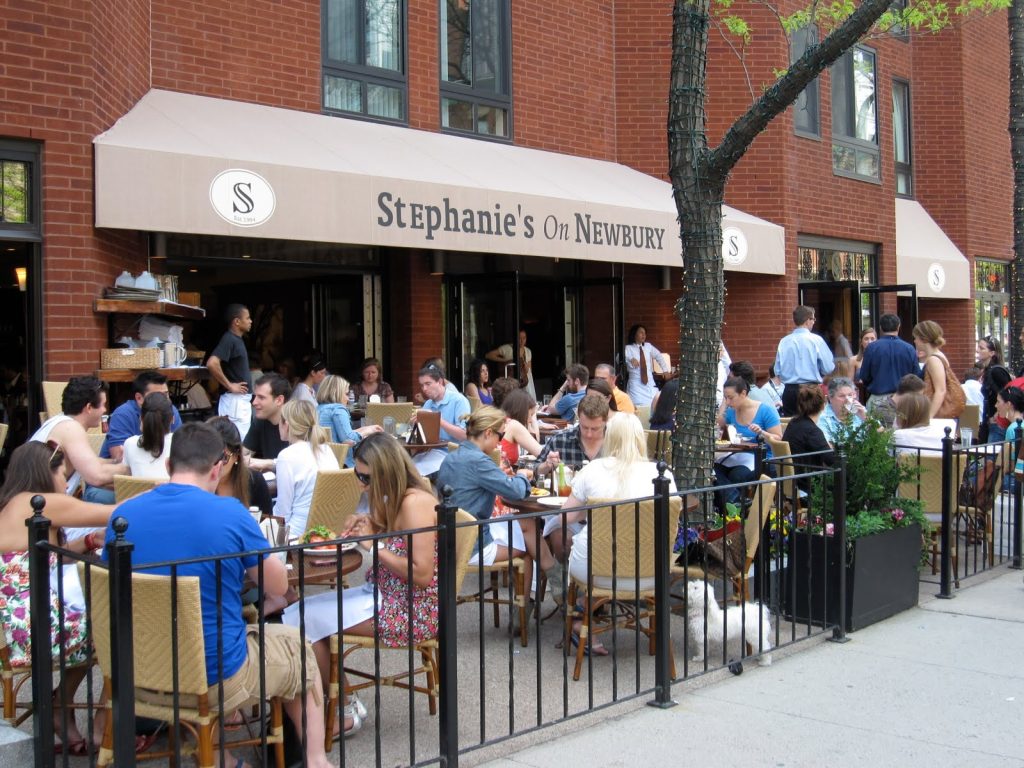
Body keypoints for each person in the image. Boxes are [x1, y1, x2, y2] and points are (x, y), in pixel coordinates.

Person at [103, 423, 334, 766]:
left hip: (136, 668)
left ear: (168, 465)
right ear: (216, 468)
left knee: (208, 635)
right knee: (298, 648)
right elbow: (277, 587)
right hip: (213, 675)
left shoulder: (123, 516)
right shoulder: (229, 513)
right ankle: (316, 760)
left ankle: (214, 752)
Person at [282, 433, 438, 736]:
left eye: (366, 477)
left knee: (304, 622)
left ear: (386, 471)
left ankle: (343, 709)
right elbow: (397, 535)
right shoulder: (395, 497)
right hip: (385, 595)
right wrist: (370, 523)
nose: (361, 484)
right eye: (358, 474)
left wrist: (373, 544)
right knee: (300, 613)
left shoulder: (416, 502)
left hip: (411, 609)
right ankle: (341, 702)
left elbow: (421, 574)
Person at [0, 442, 113, 755]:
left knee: (102, 623)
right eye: (63, 474)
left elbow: (45, 555)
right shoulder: (41, 503)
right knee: (120, 629)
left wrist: (89, 540)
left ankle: (62, 706)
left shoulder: (14, 503)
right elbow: (115, 512)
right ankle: (104, 727)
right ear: (44, 473)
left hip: (18, 621)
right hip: (34, 625)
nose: (66, 483)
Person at [560, 413, 678, 653]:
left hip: (596, 572)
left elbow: (566, 516)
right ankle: (585, 612)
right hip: (650, 572)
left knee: (581, 545)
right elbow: (671, 518)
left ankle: (582, 614)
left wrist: (588, 510)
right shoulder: (663, 474)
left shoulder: (594, 469)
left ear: (609, 437)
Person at [437, 406, 565, 603]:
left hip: (453, 537)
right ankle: (540, 595)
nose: (500, 441)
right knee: (527, 549)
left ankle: (551, 583)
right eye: (501, 435)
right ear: (488, 433)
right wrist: (522, 476)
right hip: (472, 544)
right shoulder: (479, 461)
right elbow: (515, 491)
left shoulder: (452, 456)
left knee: (528, 524)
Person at [30, 376, 122, 504]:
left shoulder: (60, 422)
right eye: (103, 405)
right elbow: (96, 476)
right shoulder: (71, 428)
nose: (105, 410)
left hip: (38, 505)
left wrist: (116, 461)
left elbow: (90, 463)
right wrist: (134, 467)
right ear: (89, 408)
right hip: (37, 509)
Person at [274, 399, 340, 537]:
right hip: (327, 531)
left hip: (296, 533)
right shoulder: (326, 450)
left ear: (286, 424)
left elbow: (282, 514)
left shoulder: (286, 456)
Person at [714, 377, 782, 507]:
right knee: (712, 470)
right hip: (736, 455)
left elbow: (778, 439)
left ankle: (733, 508)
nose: (728, 401)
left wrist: (761, 432)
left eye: (731, 397)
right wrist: (724, 403)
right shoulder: (731, 411)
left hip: (761, 457)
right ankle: (735, 501)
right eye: (726, 398)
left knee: (736, 476)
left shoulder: (765, 410)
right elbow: (718, 424)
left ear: (743, 393)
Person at [99, 370, 182, 461]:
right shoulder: (123, 415)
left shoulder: (171, 410)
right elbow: (119, 458)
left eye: (166, 395)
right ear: (139, 398)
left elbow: (180, 449)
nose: (164, 400)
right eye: (157, 396)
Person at [774, 306, 835, 416]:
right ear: (808, 320)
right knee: (813, 422)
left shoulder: (784, 341)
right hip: (811, 389)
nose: (814, 322)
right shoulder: (816, 340)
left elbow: (777, 370)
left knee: (791, 424)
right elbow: (828, 367)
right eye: (813, 319)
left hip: (789, 390)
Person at [857, 314, 920, 422]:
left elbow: (864, 376)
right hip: (904, 399)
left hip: (878, 399)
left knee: (876, 431)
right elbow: (916, 376)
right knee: (903, 430)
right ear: (898, 326)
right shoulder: (909, 348)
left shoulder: (872, 348)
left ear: (881, 328)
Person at [207, 415, 273, 517]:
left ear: (236, 456)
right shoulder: (196, 483)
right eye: (208, 456)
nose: (215, 464)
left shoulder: (254, 481)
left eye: (223, 457)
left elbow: (266, 521)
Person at [206, 303, 254, 440]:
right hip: (235, 400)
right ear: (237, 321)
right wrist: (230, 385)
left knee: (240, 442)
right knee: (237, 442)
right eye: (247, 318)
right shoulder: (229, 338)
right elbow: (212, 363)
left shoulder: (236, 340)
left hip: (238, 401)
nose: (250, 321)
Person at [316, 374, 382, 466]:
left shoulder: (318, 409)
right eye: (346, 394)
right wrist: (368, 431)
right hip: (342, 463)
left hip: (322, 461)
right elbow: (348, 440)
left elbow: (340, 434)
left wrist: (366, 429)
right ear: (337, 393)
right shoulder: (338, 409)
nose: (348, 398)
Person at [780, 385, 833, 492]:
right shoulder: (812, 431)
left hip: (793, 480)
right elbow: (831, 459)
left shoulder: (793, 423)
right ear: (823, 405)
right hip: (808, 484)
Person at [913, 321, 965, 420]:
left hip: (937, 416)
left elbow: (940, 390)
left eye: (916, 338)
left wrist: (929, 417)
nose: (915, 341)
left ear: (924, 338)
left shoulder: (933, 360)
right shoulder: (938, 356)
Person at [243, 372, 292, 472]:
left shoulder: (298, 423)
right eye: (255, 396)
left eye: (261, 397)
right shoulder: (260, 421)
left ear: (279, 400)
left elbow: (301, 462)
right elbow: (244, 454)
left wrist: (268, 464)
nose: (254, 402)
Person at [121, 391, 173, 480]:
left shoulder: (130, 444)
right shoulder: (181, 443)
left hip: (138, 490)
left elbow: (126, 477)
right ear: (172, 419)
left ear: (141, 418)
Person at [414, 363, 470, 442]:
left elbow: (464, 435)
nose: (424, 389)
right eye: (422, 385)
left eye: (428, 384)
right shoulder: (428, 403)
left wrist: (438, 420)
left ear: (440, 382)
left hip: (453, 448)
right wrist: (416, 424)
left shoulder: (459, 401)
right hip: (432, 447)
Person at [977, 335, 1012, 442]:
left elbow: (1009, 393)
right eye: (978, 347)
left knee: (993, 452)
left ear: (992, 353)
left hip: (997, 424)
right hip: (989, 421)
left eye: (982, 348)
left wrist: (997, 415)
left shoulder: (996, 371)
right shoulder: (988, 370)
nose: (977, 350)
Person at [624, 324, 669, 407]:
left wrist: (665, 371)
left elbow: (659, 356)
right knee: (639, 407)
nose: (644, 335)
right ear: (634, 334)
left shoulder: (648, 346)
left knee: (654, 405)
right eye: (641, 332)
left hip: (650, 383)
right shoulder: (628, 348)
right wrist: (630, 359)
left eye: (645, 333)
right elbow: (618, 358)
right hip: (636, 385)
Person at [486, 329, 535, 401]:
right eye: (519, 338)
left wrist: (527, 368)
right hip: (511, 382)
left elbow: (530, 369)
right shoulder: (507, 348)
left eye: (524, 338)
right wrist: (505, 361)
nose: (522, 340)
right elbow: (488, 355)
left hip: (526, 382)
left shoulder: (528, 351)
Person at [817, 376, 867, 444]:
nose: (847, 400)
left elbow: (880, 435)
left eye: (850, 395)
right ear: (830, 398)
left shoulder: (860, 411)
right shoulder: (823, 418)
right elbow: (827, 446)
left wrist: (865, 417)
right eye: (842, 396)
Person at [499, 388, 543, 462]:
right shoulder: (514, 425)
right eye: (530, 414)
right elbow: (542, 454)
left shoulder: (503, 421)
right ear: (522, 412)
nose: (530, 420)